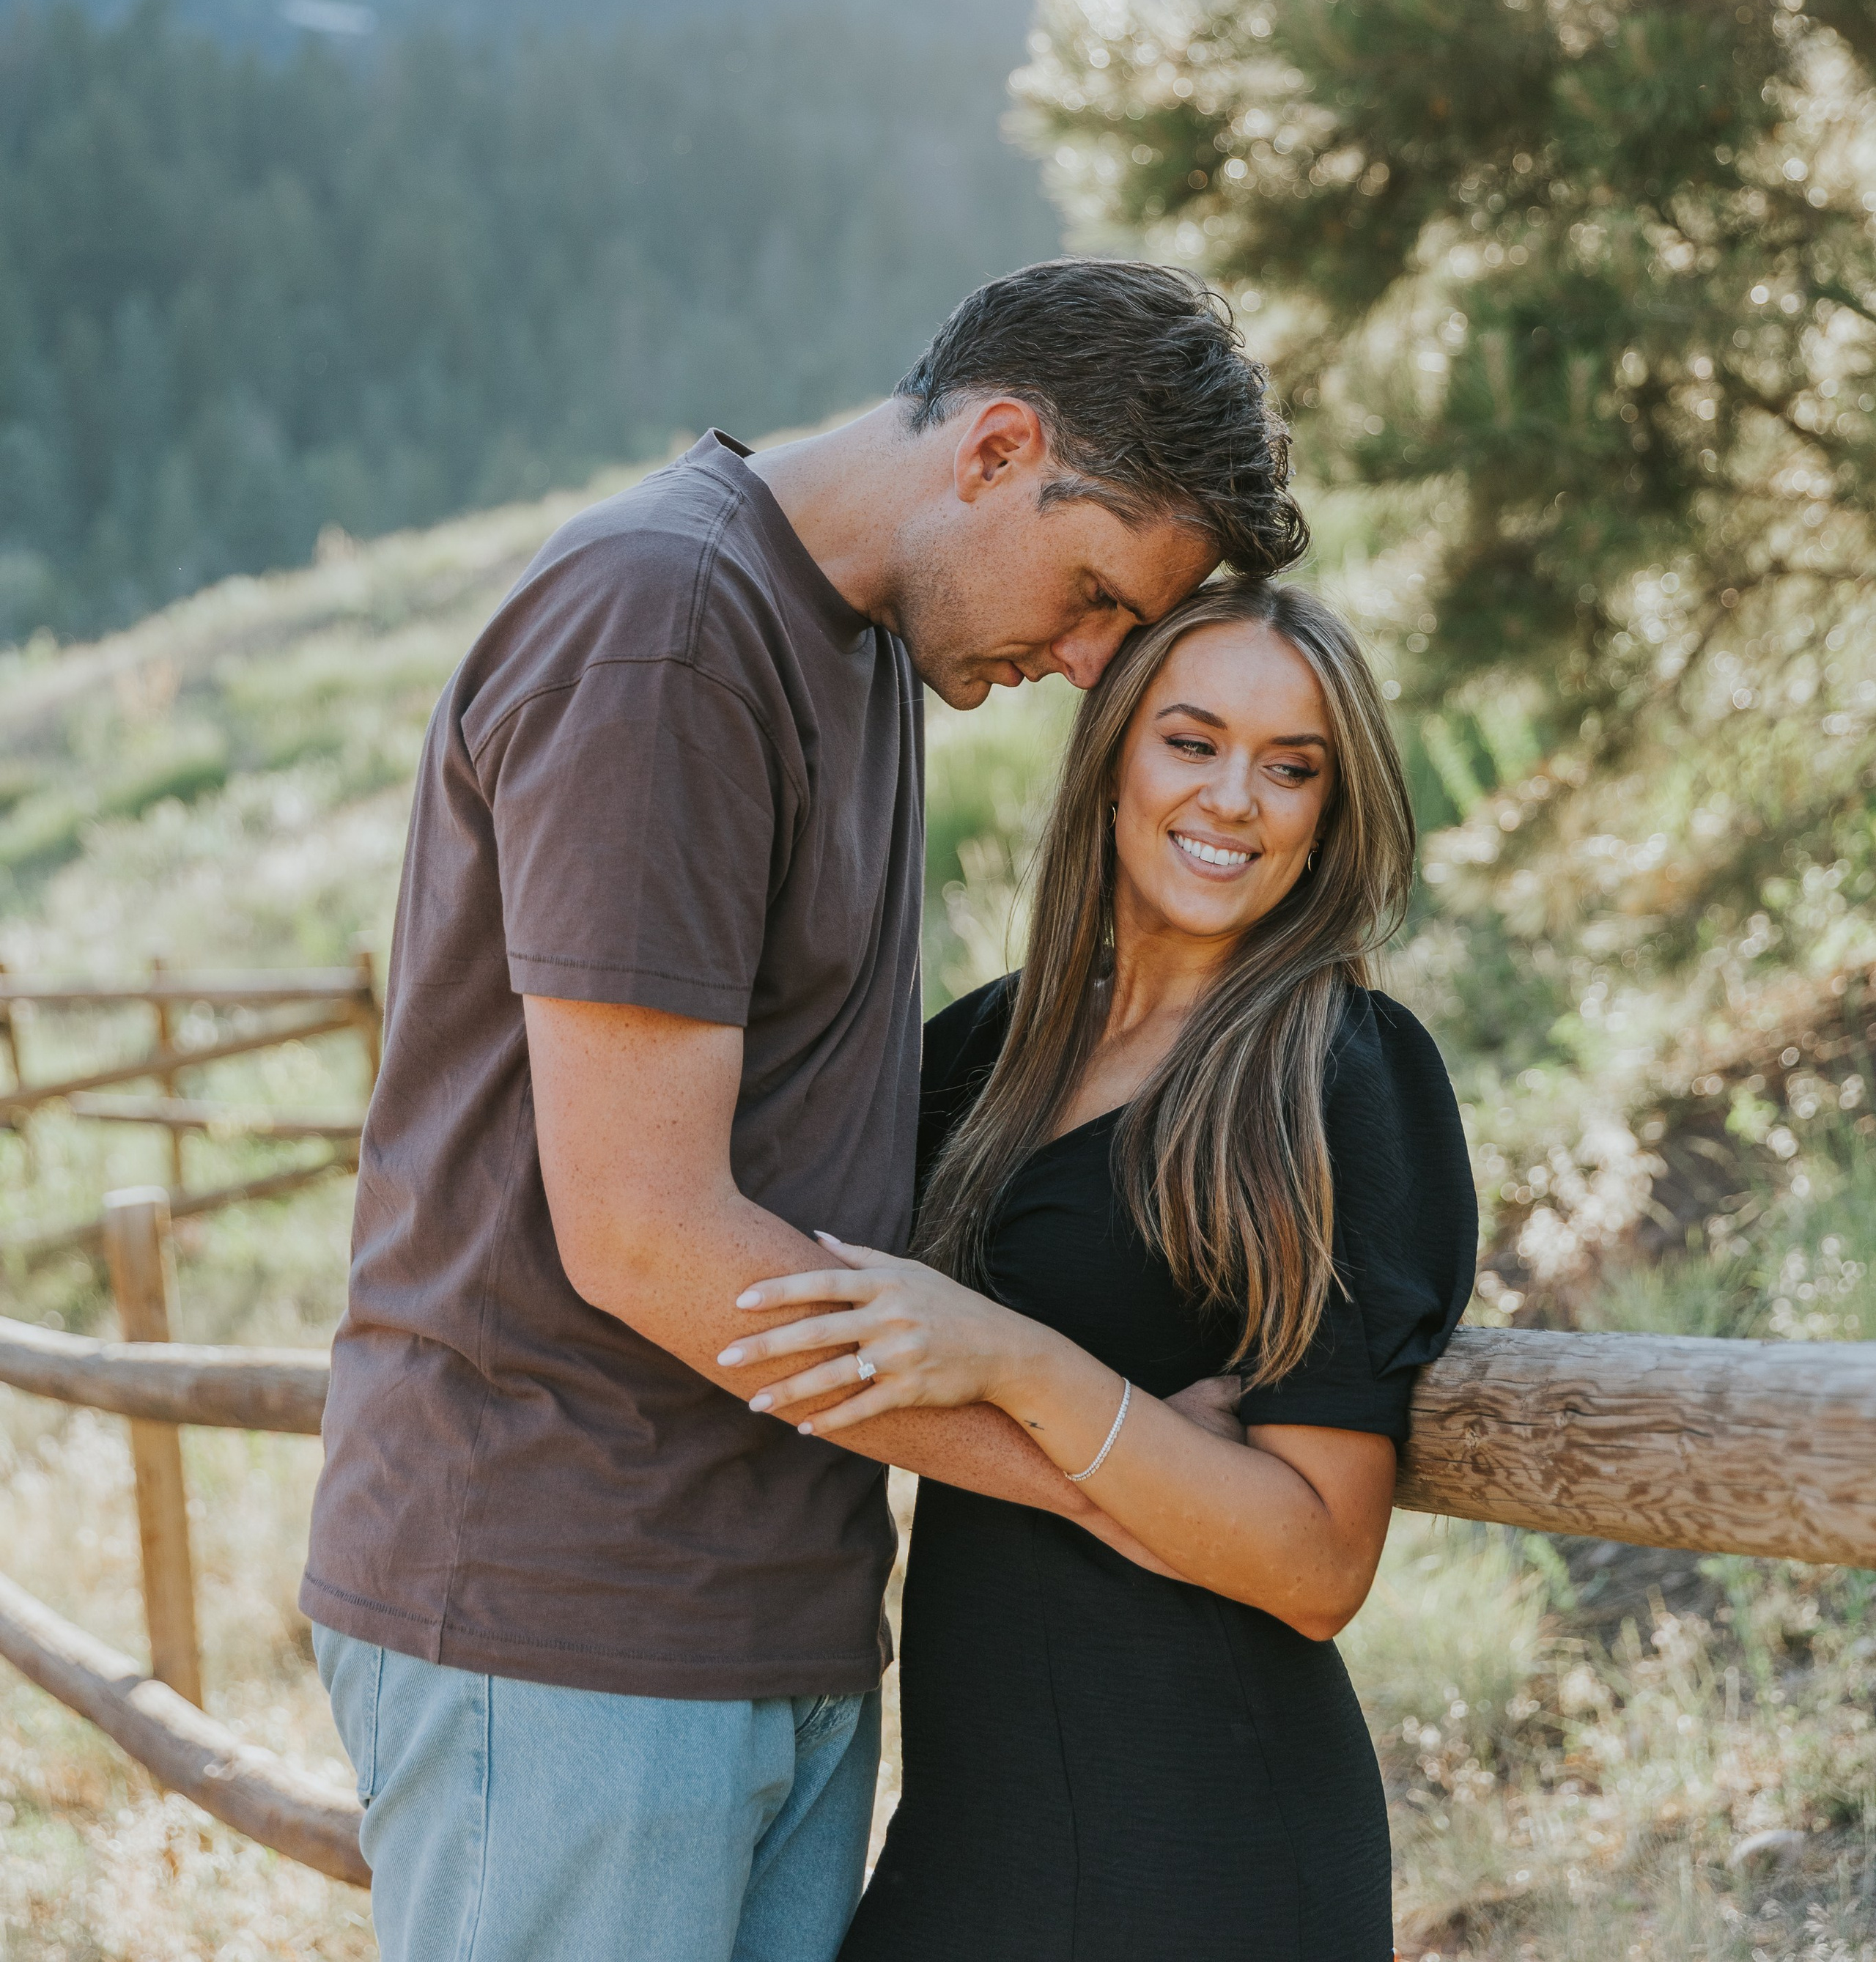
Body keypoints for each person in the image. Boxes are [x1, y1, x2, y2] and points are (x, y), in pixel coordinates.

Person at [300, 258, 1307, 1962]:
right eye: (1088, 594)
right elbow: (642, 1233)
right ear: (994, 448)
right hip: (573, 1616)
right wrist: (1103, 1478)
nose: (1083, 665)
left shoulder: (852, 644)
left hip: (766, 1611)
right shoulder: (668, 630)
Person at [726, 575, 1478, 1962]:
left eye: (1290, 767)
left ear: (1331, 811)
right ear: (1116, 755)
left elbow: (1318, 1560)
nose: (1234, 799)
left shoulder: (1337, 1075)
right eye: (1192, 743)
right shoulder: (991, 1053)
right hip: (974, 1826)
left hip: (1209, 1847)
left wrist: (1017, 1363)